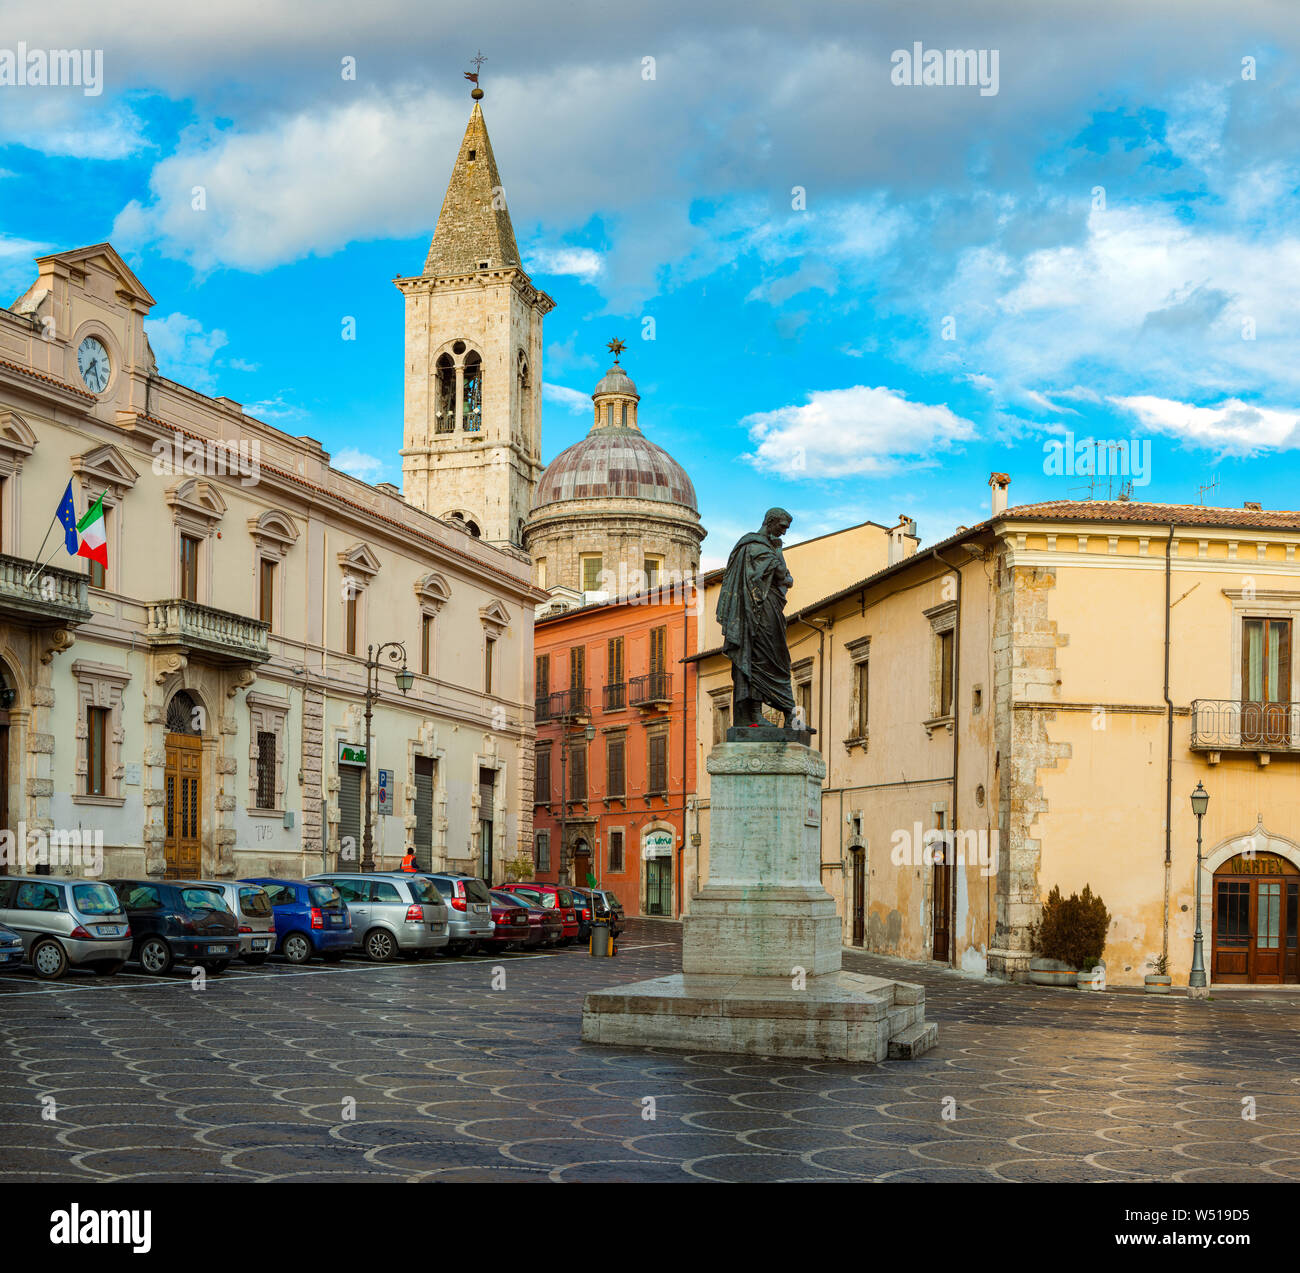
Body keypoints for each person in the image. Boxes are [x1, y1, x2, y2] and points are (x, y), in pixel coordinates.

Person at [716, 507, 798, 729]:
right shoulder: (756, 548)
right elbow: (783, 576)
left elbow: (786, 579)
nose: (784, 532)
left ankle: (787, 715)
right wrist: (779, 552)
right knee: (763, 661)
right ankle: (758, 715)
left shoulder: (761, 548)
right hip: (758, 614)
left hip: (769, 610)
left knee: (774, 660)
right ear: (770, 522)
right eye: (782, 526)